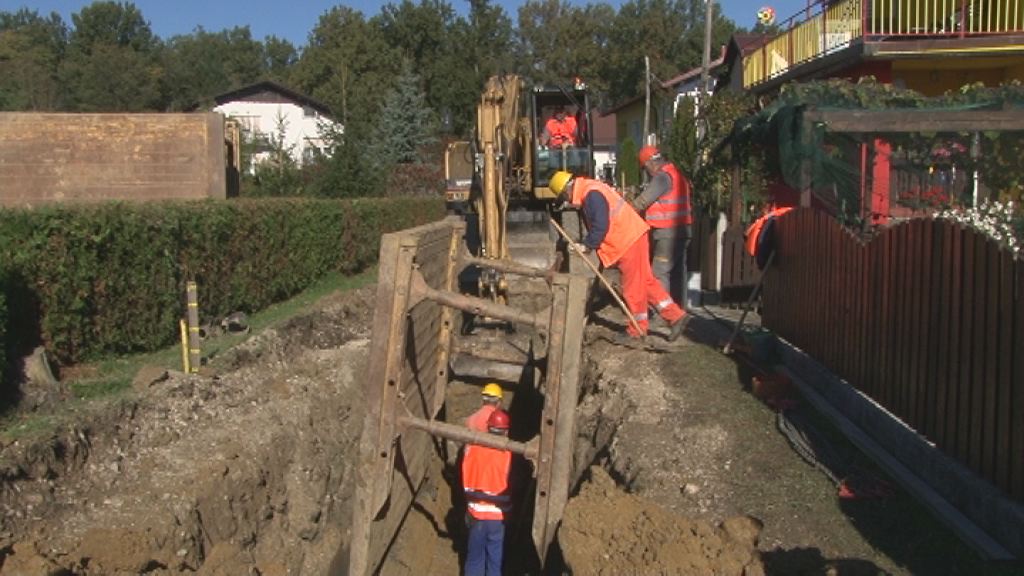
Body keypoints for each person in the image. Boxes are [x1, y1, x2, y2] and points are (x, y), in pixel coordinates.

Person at [548, 170, 689, 342]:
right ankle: (675, 316)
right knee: (645, 282)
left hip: (627, 240)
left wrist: (587, 245)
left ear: (567, 190)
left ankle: (636, 331)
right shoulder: (591, 189)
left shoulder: (591, 195)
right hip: (632, 236)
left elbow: (600, 226)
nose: (568, 202)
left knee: (632, 288)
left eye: (565, 198)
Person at [631, 145, 694, 307]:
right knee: (677, 274)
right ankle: (679, 312)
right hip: (682, 230)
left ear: (651, 164)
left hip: (668, 233)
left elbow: (642, 201)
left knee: (659, 273)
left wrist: (625, 209)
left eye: (645, 169)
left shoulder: (662, 178)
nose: (647, 173)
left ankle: (664, 314)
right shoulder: (677, 174)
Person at [462, 409, 513, 576]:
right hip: (497, 518)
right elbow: (513, 483)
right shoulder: (508, 454)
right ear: (506, 431)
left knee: (474, 559)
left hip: (475, 514)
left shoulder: (472, 449)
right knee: (494, 561)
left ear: (488, 428)